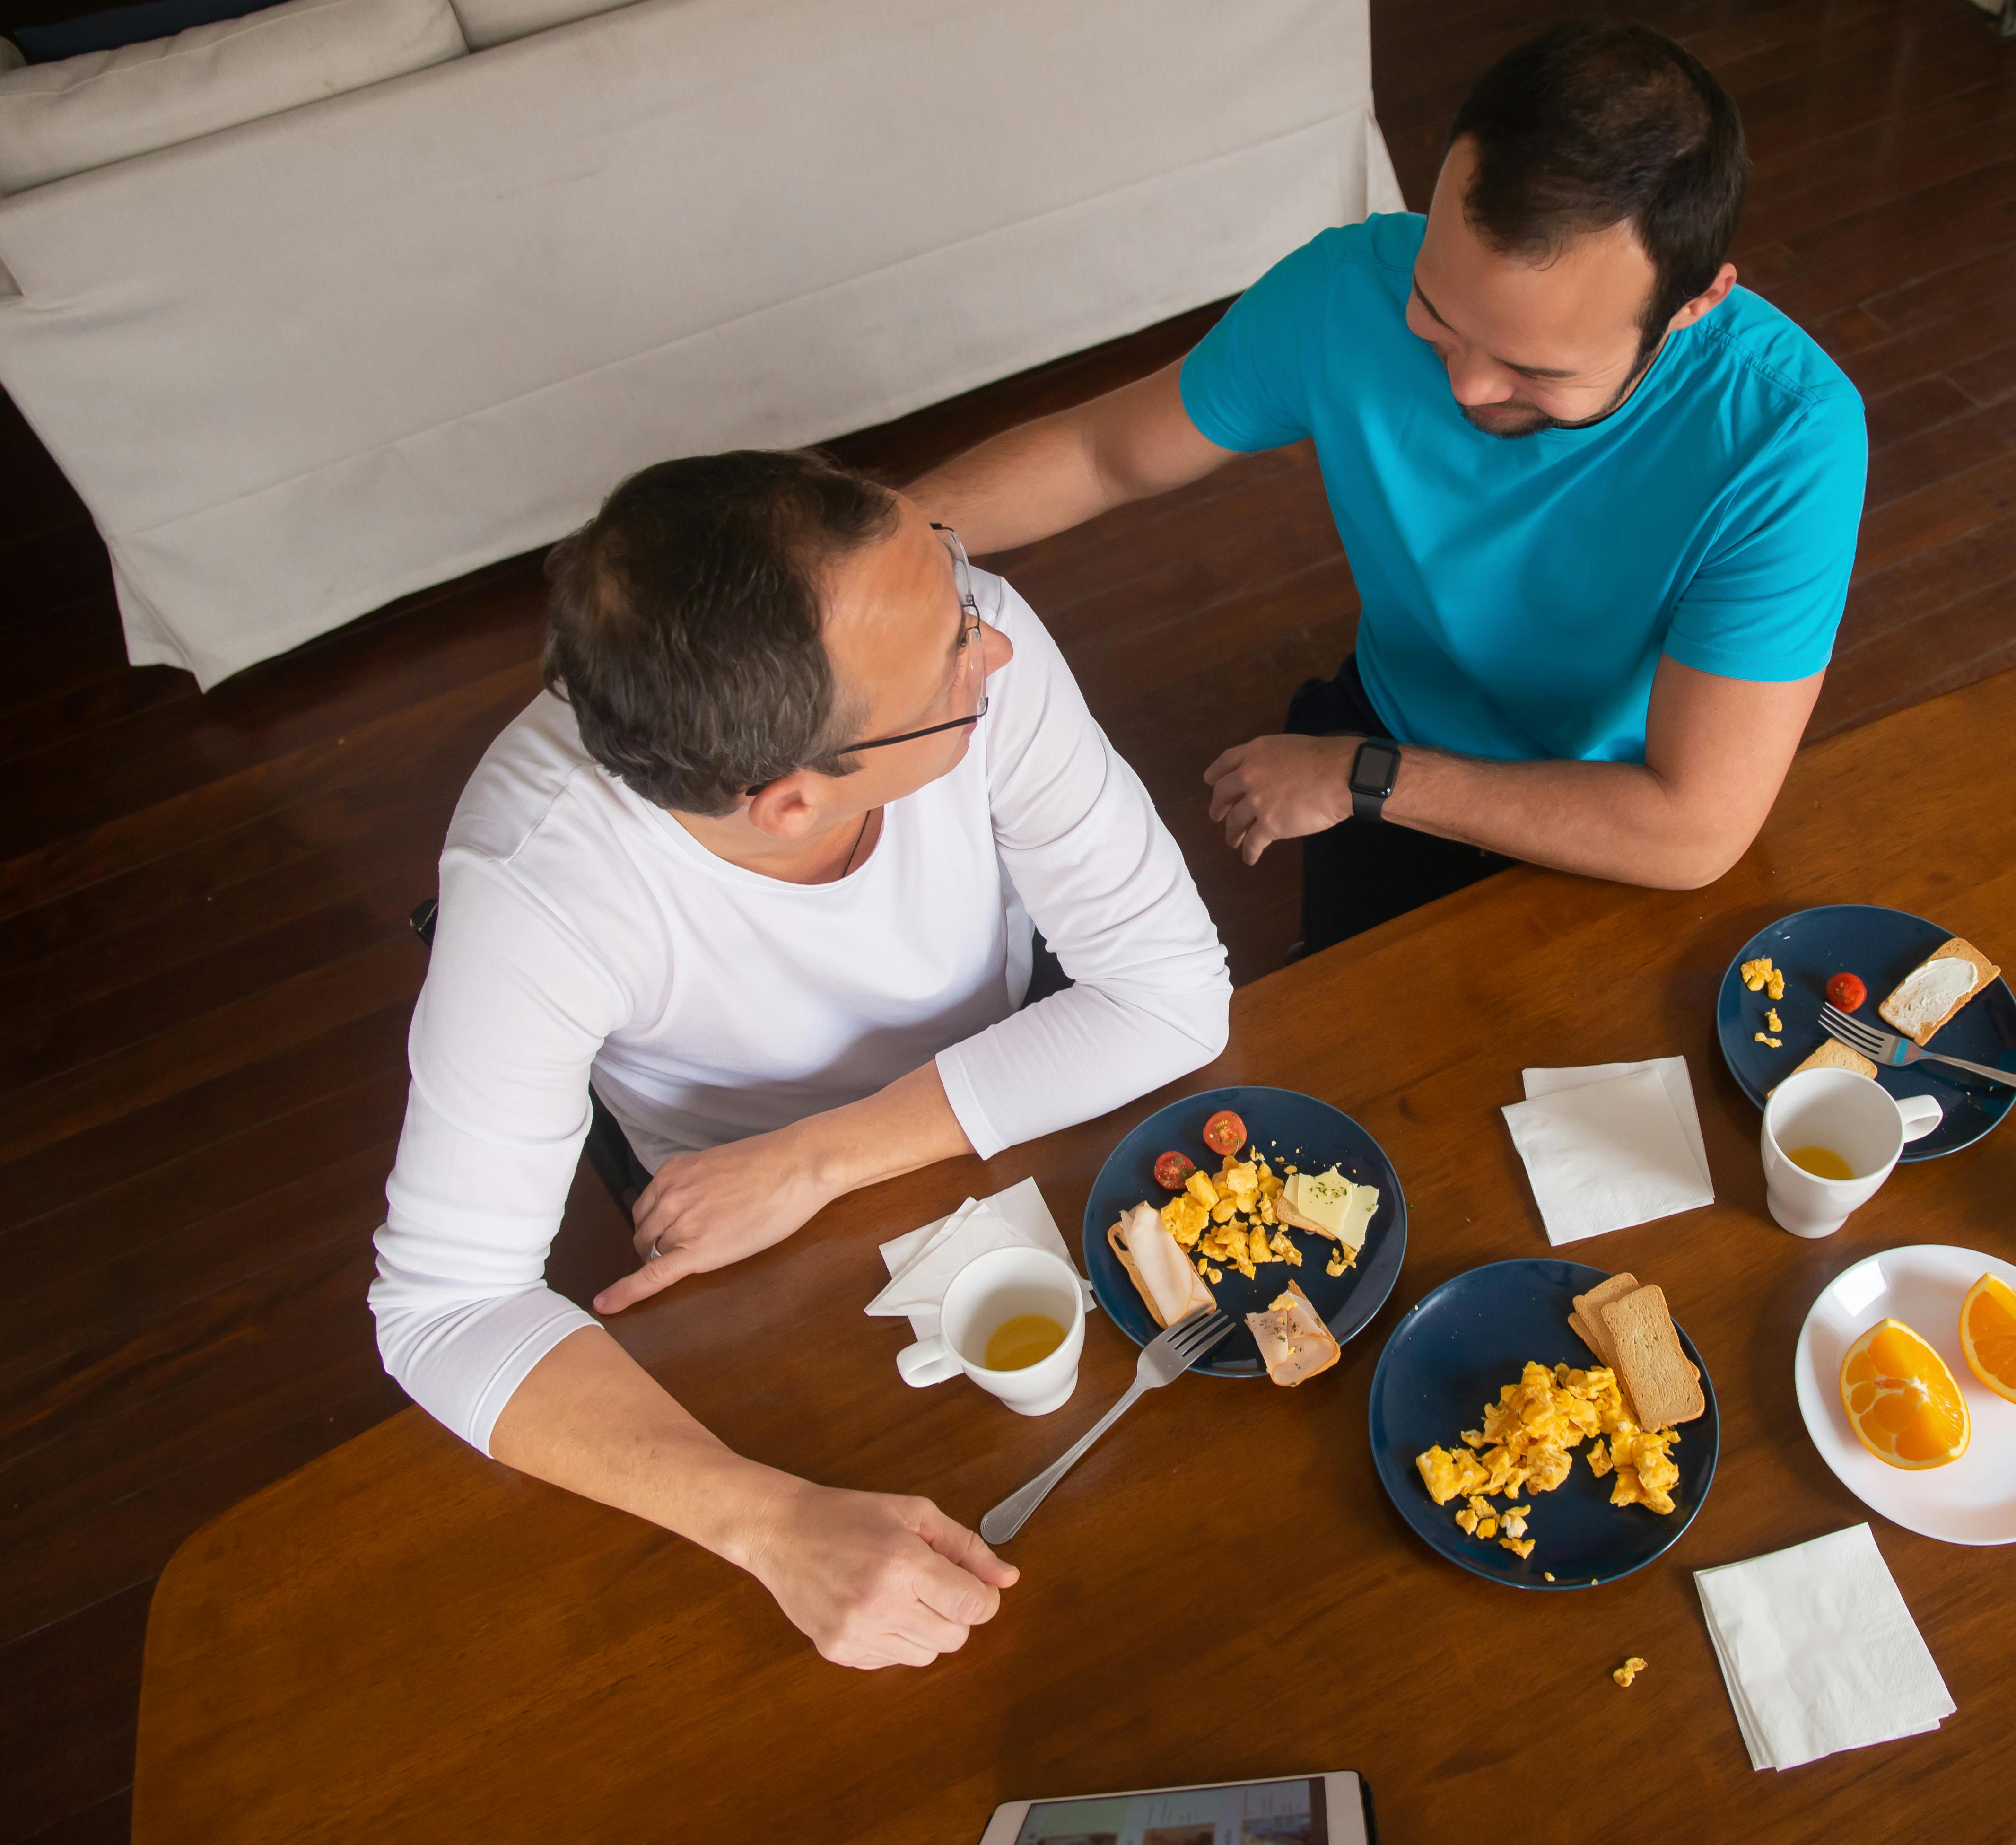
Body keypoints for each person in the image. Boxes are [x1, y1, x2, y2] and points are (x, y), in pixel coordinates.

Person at [369, 449, 1230, 1670]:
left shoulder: (967, 623)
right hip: (751, 1230)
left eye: (956, 584)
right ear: (787, 801)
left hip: (963, 1097)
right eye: (955, 660)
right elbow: (443, 1309)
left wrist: (818, 1156)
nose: (999, 651)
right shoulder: (535, 887)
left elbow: (1170, 991)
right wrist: (769, 1523)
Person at [908, 22, 1867, 953]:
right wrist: (862, 548)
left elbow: (1690, 828)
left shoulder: (1787, 440)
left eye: (1534, 369)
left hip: (1609, 809)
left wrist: (1362, 778)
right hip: (1393, 723)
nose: (1466, 388)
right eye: (1438, 318)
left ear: (1694, 308)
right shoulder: (1344, 290)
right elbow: (1096, 453)